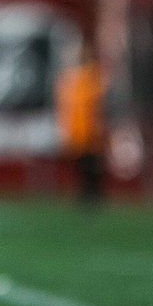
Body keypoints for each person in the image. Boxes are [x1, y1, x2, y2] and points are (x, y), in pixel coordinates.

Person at [55, 39, 106, 206]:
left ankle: (93, 194)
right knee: (81, 166)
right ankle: (86, 194)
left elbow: (98, 105)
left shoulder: (92, 76)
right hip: (77, 130)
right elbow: (65, 109)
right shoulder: (70, 79)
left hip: (90, 131)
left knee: (91, 165)